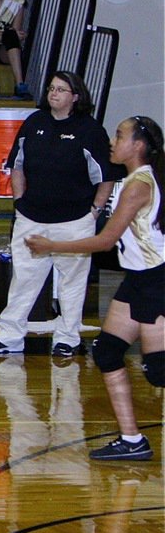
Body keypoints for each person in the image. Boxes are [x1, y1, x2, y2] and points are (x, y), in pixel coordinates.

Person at [26, 116, 163, 461]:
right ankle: (132, 441)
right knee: (106, 352)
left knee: (160, 372)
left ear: (138, 146)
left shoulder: (138, 185)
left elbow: (105, 241)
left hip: (157, 280)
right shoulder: (133, 180)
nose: (113, 142)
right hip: (137, 279)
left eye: (119, 136)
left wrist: (51, 245)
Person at [0, 72, 115, 357]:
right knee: (23, 280)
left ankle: (67, 338)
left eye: (61, 89)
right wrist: (19, 201)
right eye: (51, 88)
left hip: (75, 221)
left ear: (75, 96)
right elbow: (16, 165)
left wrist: (95, 212)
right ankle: (9, 337)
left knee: (72, 284)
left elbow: (105, 177)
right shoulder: (34, 123)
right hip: (31, 217)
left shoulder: (90, 130)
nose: (53, 93)